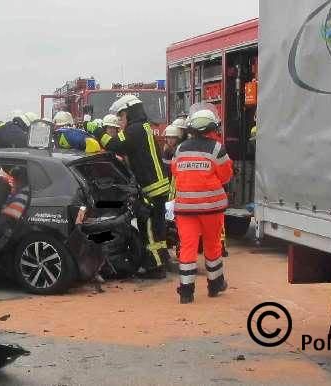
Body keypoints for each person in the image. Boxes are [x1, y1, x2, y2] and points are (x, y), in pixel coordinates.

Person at [87, 94, 171, 279]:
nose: (120, 121)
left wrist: (98, 131)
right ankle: (162, 259)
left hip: (151, 187)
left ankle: (155, 268)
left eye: (121, 117)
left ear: (129, 113)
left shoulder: (135, 130)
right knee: (157, 227)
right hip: (158, 186)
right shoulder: (144, 127)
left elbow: (115, 144)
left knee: (148, 226)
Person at [171, 104, 234, 304]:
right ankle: (215, 285)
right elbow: (226, 175)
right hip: (211, 209)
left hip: (185, 209)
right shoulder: (217, 148)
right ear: (212, 127)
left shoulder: (179, 149)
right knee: (212, 245)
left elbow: (174, 172)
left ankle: (186, 292)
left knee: (188, 247)